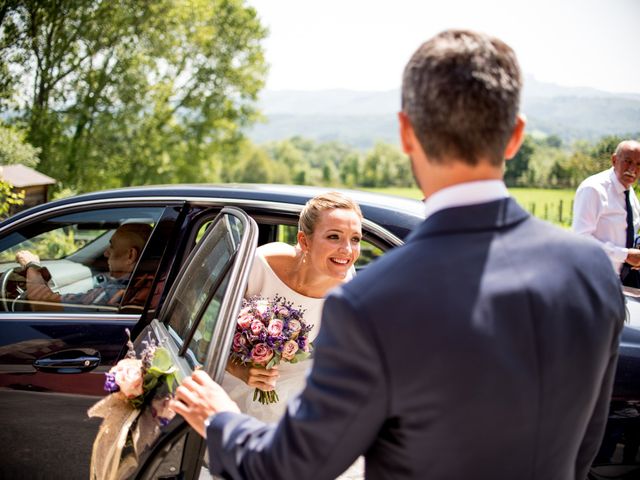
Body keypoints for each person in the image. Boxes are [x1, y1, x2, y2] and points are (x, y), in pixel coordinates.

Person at [171, 29, 625, 480]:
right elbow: (586, 443)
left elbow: (290, 465)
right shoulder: (589, 270)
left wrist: (217, 417)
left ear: (406, 133)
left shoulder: (368, 302)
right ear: (515, 135)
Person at [222, 192, 362, 422]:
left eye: (355, 239)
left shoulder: (346, 286)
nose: (347, 250)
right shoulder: (259, 263)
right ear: (304, 241)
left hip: (293, 384)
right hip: (233, 377)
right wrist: (237, 369)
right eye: (334, 236)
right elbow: (205, 329)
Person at [15, 223, 152, 310]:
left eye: (112, 246)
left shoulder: (116, 293)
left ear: (130, 256)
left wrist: (31, 265)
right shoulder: (149, 284)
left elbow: (43, 304)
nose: (105, 253)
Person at [572, 140, 640, 287]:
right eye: (628, 161)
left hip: (621, 284)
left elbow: (627, 234)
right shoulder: (593, 189)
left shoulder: (630, 193)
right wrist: (626, 255)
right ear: (614, 160)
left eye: (639, 164)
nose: (633, 169)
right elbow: (580, 240)